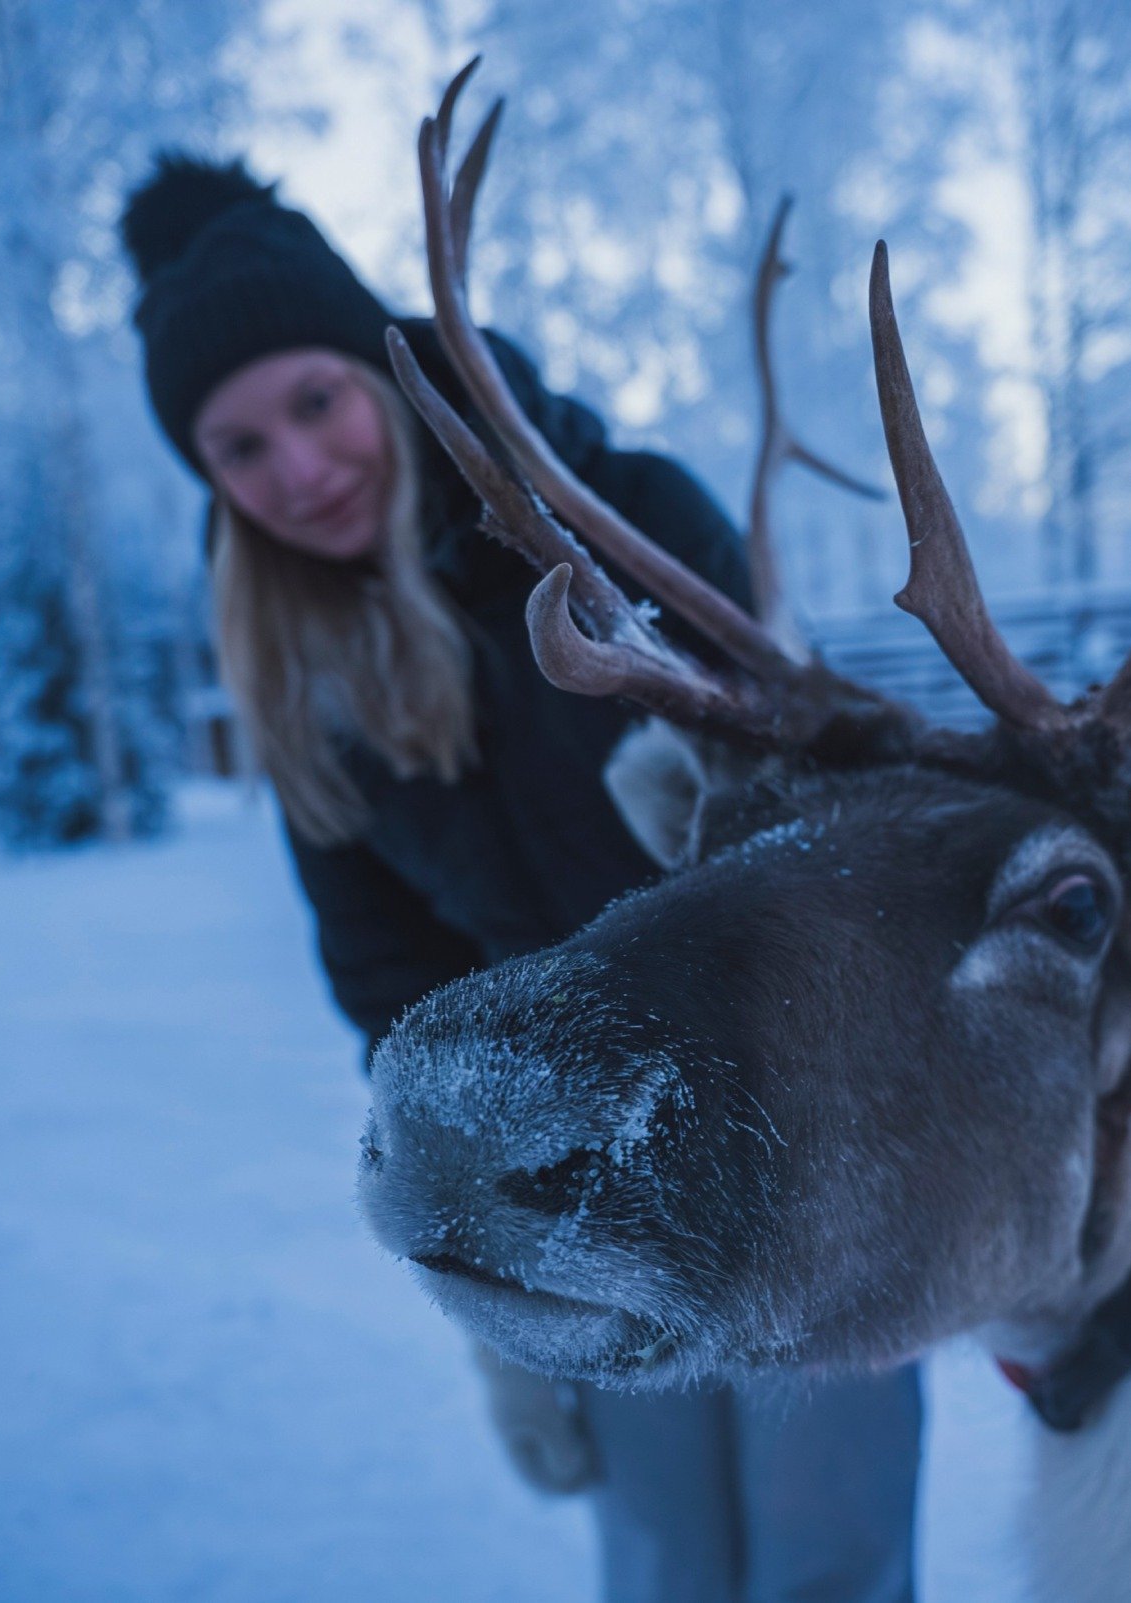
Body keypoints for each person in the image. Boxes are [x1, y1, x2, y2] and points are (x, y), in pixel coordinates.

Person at [121, 154, 923, 1603]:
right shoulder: (305, 671)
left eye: (315, 402)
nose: (297, 471)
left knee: (830, 1559)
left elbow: (825, 822)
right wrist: (488, 1293)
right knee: (667, 1559)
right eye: (238, 449)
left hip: (807, 1131)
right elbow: (390, 983)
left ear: (393, 373)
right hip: (587, 1194)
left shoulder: (627, 519)